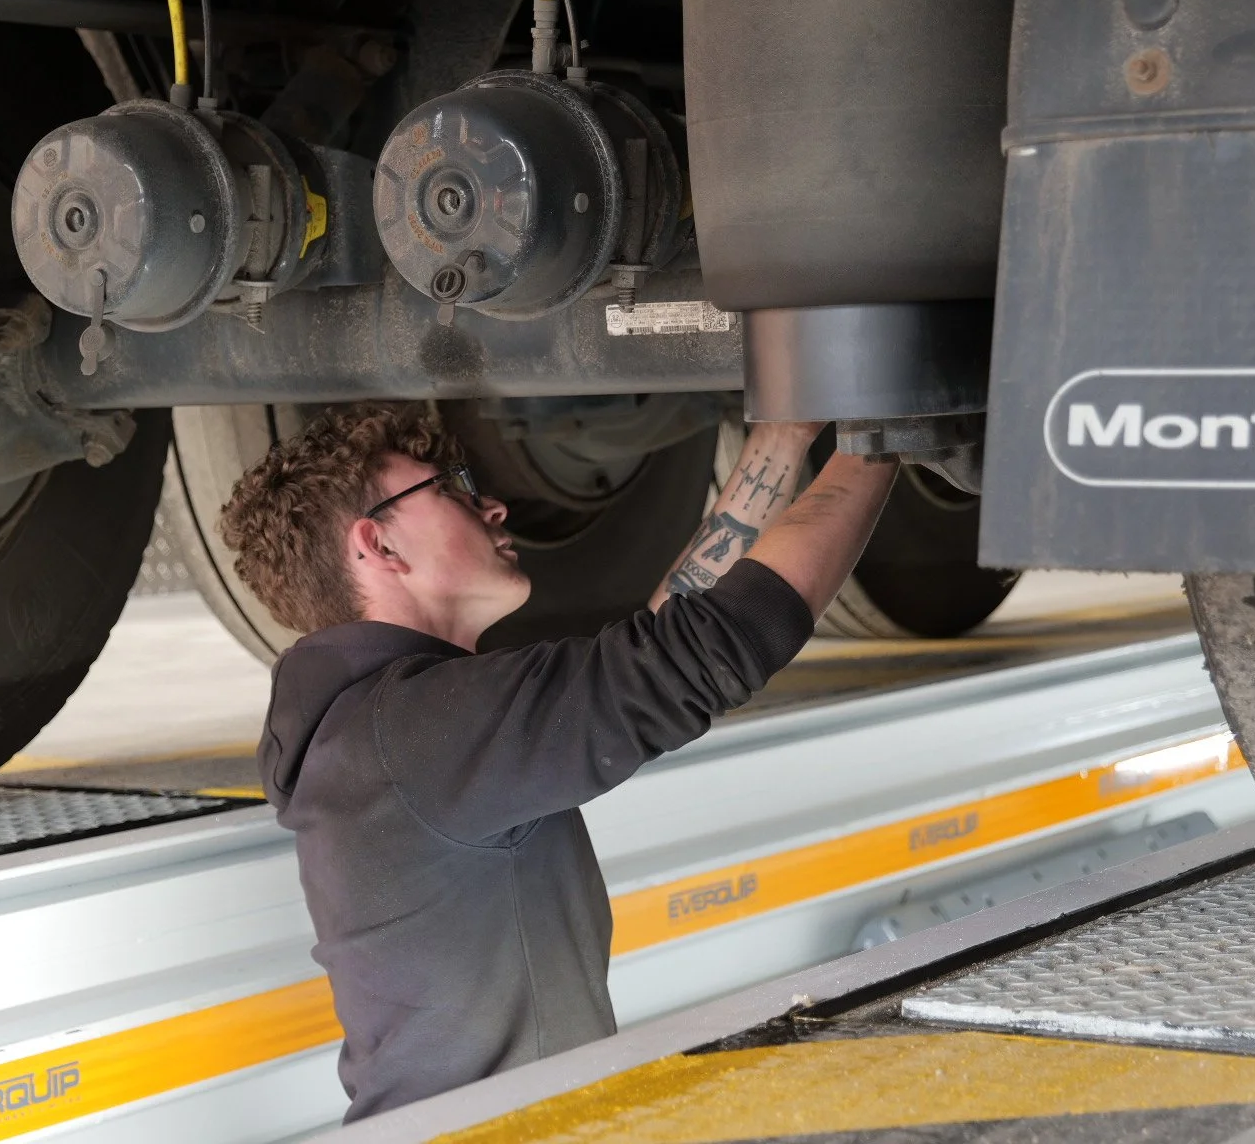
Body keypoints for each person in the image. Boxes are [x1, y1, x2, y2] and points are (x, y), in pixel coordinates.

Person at [219, 404, 896, 1121]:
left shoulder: (376, 728)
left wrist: (784, 438)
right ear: (377, 543)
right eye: (450, 490)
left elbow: (664, 642)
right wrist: (882, 437)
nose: (492, 505)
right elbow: (705, 649)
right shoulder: (413, 730)